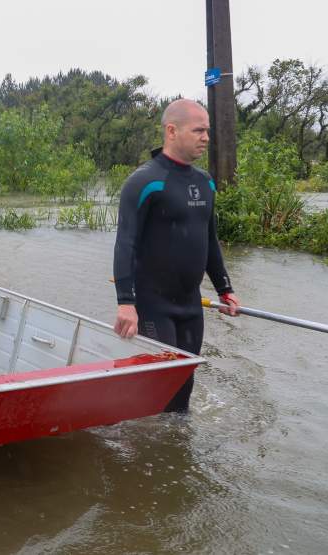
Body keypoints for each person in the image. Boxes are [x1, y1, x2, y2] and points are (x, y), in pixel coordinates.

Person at [112, 98, 240, 412]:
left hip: (190, 304)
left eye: (207, 131)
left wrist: (225, 288)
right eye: (199, 130)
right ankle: (141, 445)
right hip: (152, 304)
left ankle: (178, 443)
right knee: (160, 381)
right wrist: (126, 303)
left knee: (184, 385)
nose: (206, 138)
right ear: (172, 131)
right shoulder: (144, 182)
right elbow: (125, 243)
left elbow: (209, 241)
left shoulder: (205, 182)